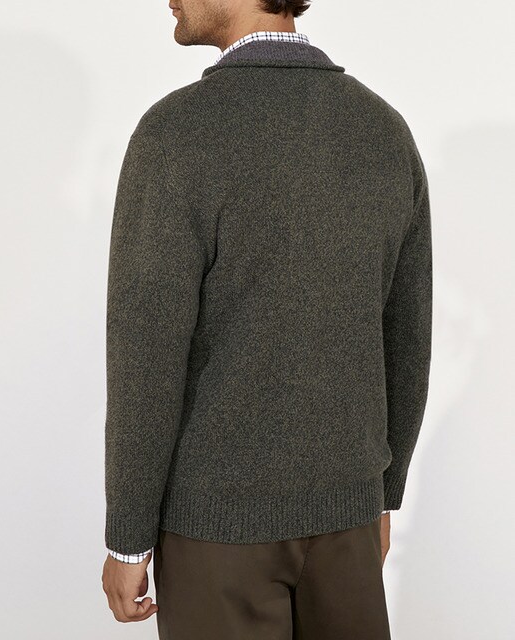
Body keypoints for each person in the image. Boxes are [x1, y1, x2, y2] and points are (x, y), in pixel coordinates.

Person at [101, 1, 432, 638]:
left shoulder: (178, 133)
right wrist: (382, 495)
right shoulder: (383, 129)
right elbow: (407, 337)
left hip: (217, 535)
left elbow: (146, 356)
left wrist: (127, 538)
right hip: (349, 519)